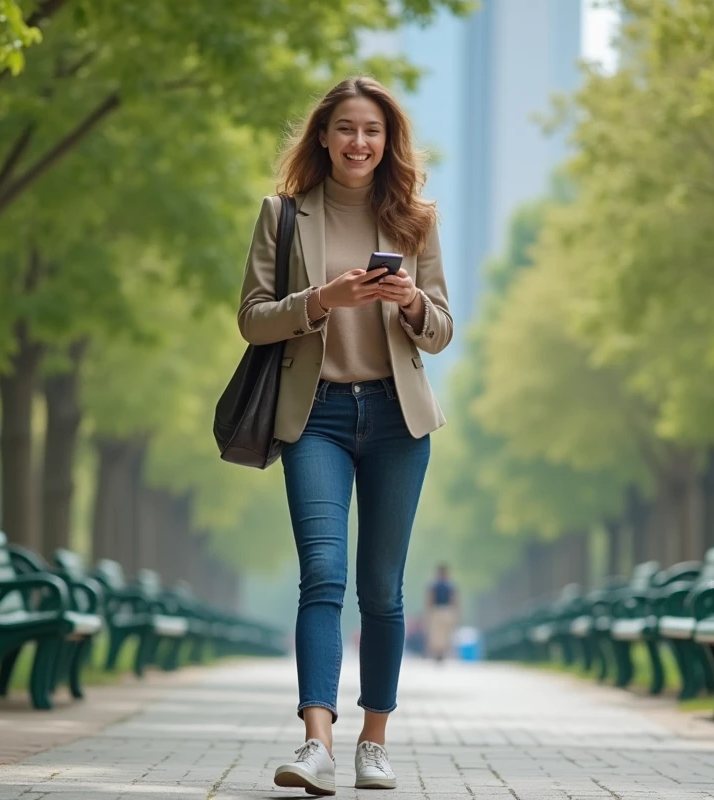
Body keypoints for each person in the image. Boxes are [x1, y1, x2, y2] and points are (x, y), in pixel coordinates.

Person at [237, 76, 453, 795]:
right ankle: (316, 742)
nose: (360, 142)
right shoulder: (284, 216)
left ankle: (374, 741)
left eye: (373, 131)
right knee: (323, 575)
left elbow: (444, 328)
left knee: (383, 592)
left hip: (397, 419)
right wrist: (320, 300)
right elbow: (253, 319)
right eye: (346, 129)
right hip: (316, 416)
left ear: (387, 142)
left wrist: (414, 301)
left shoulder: (415, 220)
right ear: (323, 137)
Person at [425, 563, 459, 662]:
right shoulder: (450, 585)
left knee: (439, 633)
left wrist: (429, 612)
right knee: (442, 632)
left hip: (438, 610)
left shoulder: (434, 585)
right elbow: (454, 599)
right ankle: (440, 652)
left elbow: (430, 599)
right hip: (445, 610)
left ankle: (440, 652)